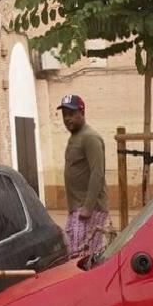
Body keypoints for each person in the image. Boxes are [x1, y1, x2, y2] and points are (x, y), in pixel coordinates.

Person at [59, 94, 109, 261]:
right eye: (65, 114)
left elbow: (98, 173)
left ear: (82, 112)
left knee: (83, 257)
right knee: (75, 254)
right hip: (77, 207)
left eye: (71, 114)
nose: (67, 119)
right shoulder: (75, 136)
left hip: (89, 208)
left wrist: (88, 207)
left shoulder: (90, 137)